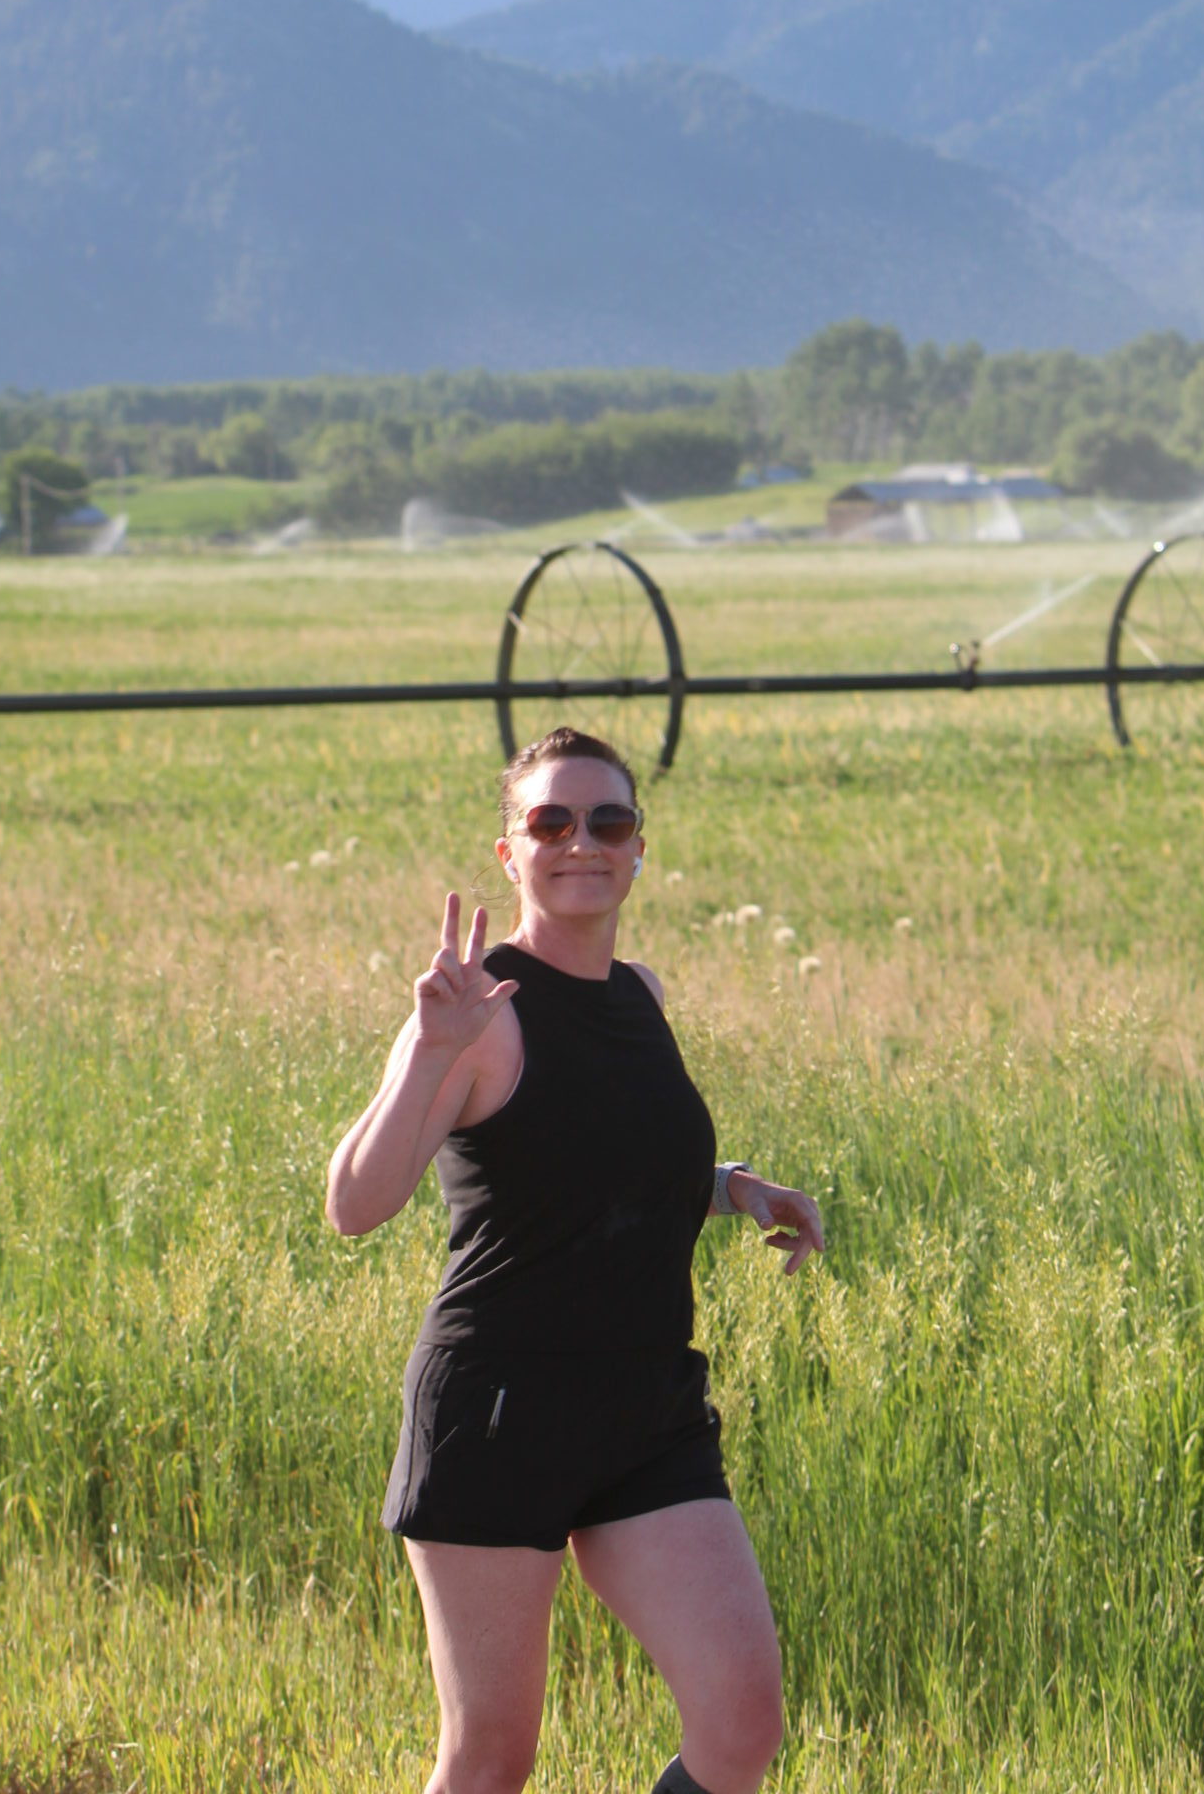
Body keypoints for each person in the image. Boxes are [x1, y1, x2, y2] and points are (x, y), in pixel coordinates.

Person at [326, 724, 824, 1794]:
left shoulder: (639, 994)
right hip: (498, 1413)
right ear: (509, 852)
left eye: (608, 820)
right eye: (549, 822)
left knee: (741, 1721)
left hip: (646, 1409)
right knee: (490, 1759)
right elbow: (354, 1205)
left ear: (639, 846)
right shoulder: (478, 1011)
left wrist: (732, 1187)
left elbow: (599, 1152)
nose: (580, 842)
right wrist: (427, 1052)